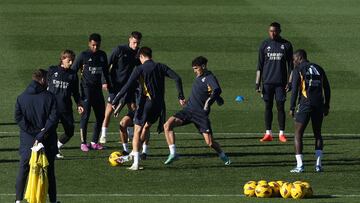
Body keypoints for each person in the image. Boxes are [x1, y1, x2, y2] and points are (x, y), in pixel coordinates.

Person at [112, 47, 185, 170]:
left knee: (137, 131)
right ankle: (135, 153)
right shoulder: (161, 66)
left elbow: (127, 86)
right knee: (146, 127)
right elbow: (177, 78)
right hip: (159, 106)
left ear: (141, 56)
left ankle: (135, 163)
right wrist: (180, 96)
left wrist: (115, 100)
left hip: (146, 104)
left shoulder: (139, 69)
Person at [163, 56, 231, 165]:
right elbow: (201, 93)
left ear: (203, 66)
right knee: (167, 125)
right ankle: (173, 153)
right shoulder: (199, 77)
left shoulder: (209, 77)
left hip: (200, 115)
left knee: (209, 142)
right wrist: (187, 102)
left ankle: (223, 155)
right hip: (188, 110)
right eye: (193, 69)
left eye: (196, 68)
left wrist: (209, 102)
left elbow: (217, 89)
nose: (194, 71)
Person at [15, 69, 59, 203]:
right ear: (42, 79)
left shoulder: (21, 97)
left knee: (24, 169)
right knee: (49, 171)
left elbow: (18, 117)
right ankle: (52, 201)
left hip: (28, 140)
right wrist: (41, 134)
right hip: (47, 139)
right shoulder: (50, 97)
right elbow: (54, 118)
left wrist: (33, 132)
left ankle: (18, 200)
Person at [99, 31, 142, 156]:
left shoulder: (138, 53)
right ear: (129, 40)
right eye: (134, 42)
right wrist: (104, 81)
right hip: (115, 85)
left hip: (129, 86)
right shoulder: (119, 50)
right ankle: (104, 135)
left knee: (132, 109)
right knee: (110, 110)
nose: (135, 45)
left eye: (137, 43)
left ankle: (130, 134)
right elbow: (106, 65)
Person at [289, 49, 331, 173]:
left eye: (294, 59)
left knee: (298, 134)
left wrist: (292, 107)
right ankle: (318, 165)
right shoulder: (319, 68)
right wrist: (326, 105)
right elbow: (327, 88)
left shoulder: (298, 69)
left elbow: (295, 89)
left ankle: (300, 165)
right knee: (318, 134)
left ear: (299, 58)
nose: (293, 62)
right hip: (319, 105)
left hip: (305, 104)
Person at [256, 22, 293, 142]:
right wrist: (257, 83)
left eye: (275, 31)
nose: (273, 33)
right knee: (268, 106)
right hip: (267, 82)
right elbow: (259, 66)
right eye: (271, 31)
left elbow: (291, 66)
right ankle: (268, 133)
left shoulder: (286, 45)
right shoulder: (264, 45)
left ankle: (281, 133)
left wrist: (290, 82)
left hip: (281, 83)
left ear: (280, 31)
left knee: (280, 107)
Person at [71, 33, 110, 151]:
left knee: (100, 116)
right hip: (86, 91)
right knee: (85, 116)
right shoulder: (83, 55)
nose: (95, 47)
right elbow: (73, 70)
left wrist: (105, 82)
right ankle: (83, 143)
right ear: (89, 43)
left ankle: (94, 142)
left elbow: (105, 71)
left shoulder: (102, 55)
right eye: (93, 45)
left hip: (97, 91)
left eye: (97, 45)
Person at [47, 50, 84, 158]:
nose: (71, 63)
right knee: (49, 130)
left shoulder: (72, 75)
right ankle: (48, 150)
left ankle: (56, 147)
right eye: (69, 60)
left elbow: (76, 92)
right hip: (52, 107)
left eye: (72, 60)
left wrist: (79, 104)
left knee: (70, 131)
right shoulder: (52, 70)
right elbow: (44, 86)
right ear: (62, 59)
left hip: (65, 108)